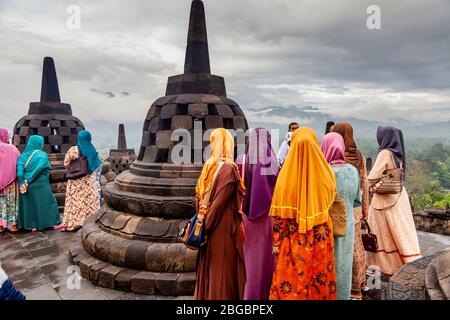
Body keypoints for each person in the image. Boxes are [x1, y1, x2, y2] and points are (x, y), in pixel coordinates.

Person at [270, 127, 337, 300]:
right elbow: (332, 203)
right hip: (321, 238)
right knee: (320, 281)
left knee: (291, 284)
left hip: (293, 240)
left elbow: (279, 220)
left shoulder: (284, 179)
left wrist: (276, 242)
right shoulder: (327, 173)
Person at [194, 128, 246, 300]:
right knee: (221, 272)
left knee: (210, 268)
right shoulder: (229, 169)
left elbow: (198, 199)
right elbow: (219, 204)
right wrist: (208, 227)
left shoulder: (208, 166)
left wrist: (202, 228)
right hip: (221, 228)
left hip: (206, 227)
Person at [366, 126, 421, 276]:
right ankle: (407, 258)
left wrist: (366, 185)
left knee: (381, 233)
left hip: (384, 199)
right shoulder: (398, 153)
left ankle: (384, 265)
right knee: (400, 230)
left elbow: (372, 177)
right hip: (398, 196)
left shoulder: (385, 152)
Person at [236, 128, 279, 300]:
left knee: (250, 260)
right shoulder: (275, 164)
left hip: (246, 218)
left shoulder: (241, 161)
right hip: (270, 217)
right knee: (268, 260)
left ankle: (249, 296)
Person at [331, 122, 370, 299]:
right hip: (353, 207)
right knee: (355, 248)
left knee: (337, 250)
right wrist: (364, 209)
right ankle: (357, 285)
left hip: (335, 211)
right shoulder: (358, 156)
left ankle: (336, 287)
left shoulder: (331, 158)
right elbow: (364, 183)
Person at [321, 132, 361, 300]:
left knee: (328, 263)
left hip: (327, 224)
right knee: (344, 263)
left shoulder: (325, 172)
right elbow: (358, 201)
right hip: (348, 223)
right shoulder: (353, 170)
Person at [59, 130, 102, 232]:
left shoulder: (73, 150)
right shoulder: (92, 150)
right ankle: (90, 221)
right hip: (89, 182)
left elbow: (66, 163)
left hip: (75, 181)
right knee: (89, 201)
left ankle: (74, 223)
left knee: (75, 201)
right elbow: (97, 166)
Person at [17, 135, 60, 231]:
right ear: (39, 143)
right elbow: (40, 169)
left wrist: (22, 183)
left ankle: (31, 225)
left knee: (30, 205)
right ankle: (49, 223)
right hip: (40, 184)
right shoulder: (42, 155)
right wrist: (30, 180)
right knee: (47, 203)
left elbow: (19, 173)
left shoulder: (23, 156)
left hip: (26, 185)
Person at [0, 128, 20, 233]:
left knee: (1, 202)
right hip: (11, 182)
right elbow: (19, 162)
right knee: (12, 202)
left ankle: (1, 225)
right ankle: (13, 225)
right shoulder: (12, 149)